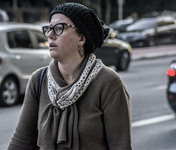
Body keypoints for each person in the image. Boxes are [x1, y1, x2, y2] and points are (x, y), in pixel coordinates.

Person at [7, 2, 132, 150]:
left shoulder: (108, 83)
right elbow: (22, 141)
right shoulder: (39, 80)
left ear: (81, 38)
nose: (51, 35)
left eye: (59, 28)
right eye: (49, 29)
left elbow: (120, 146)